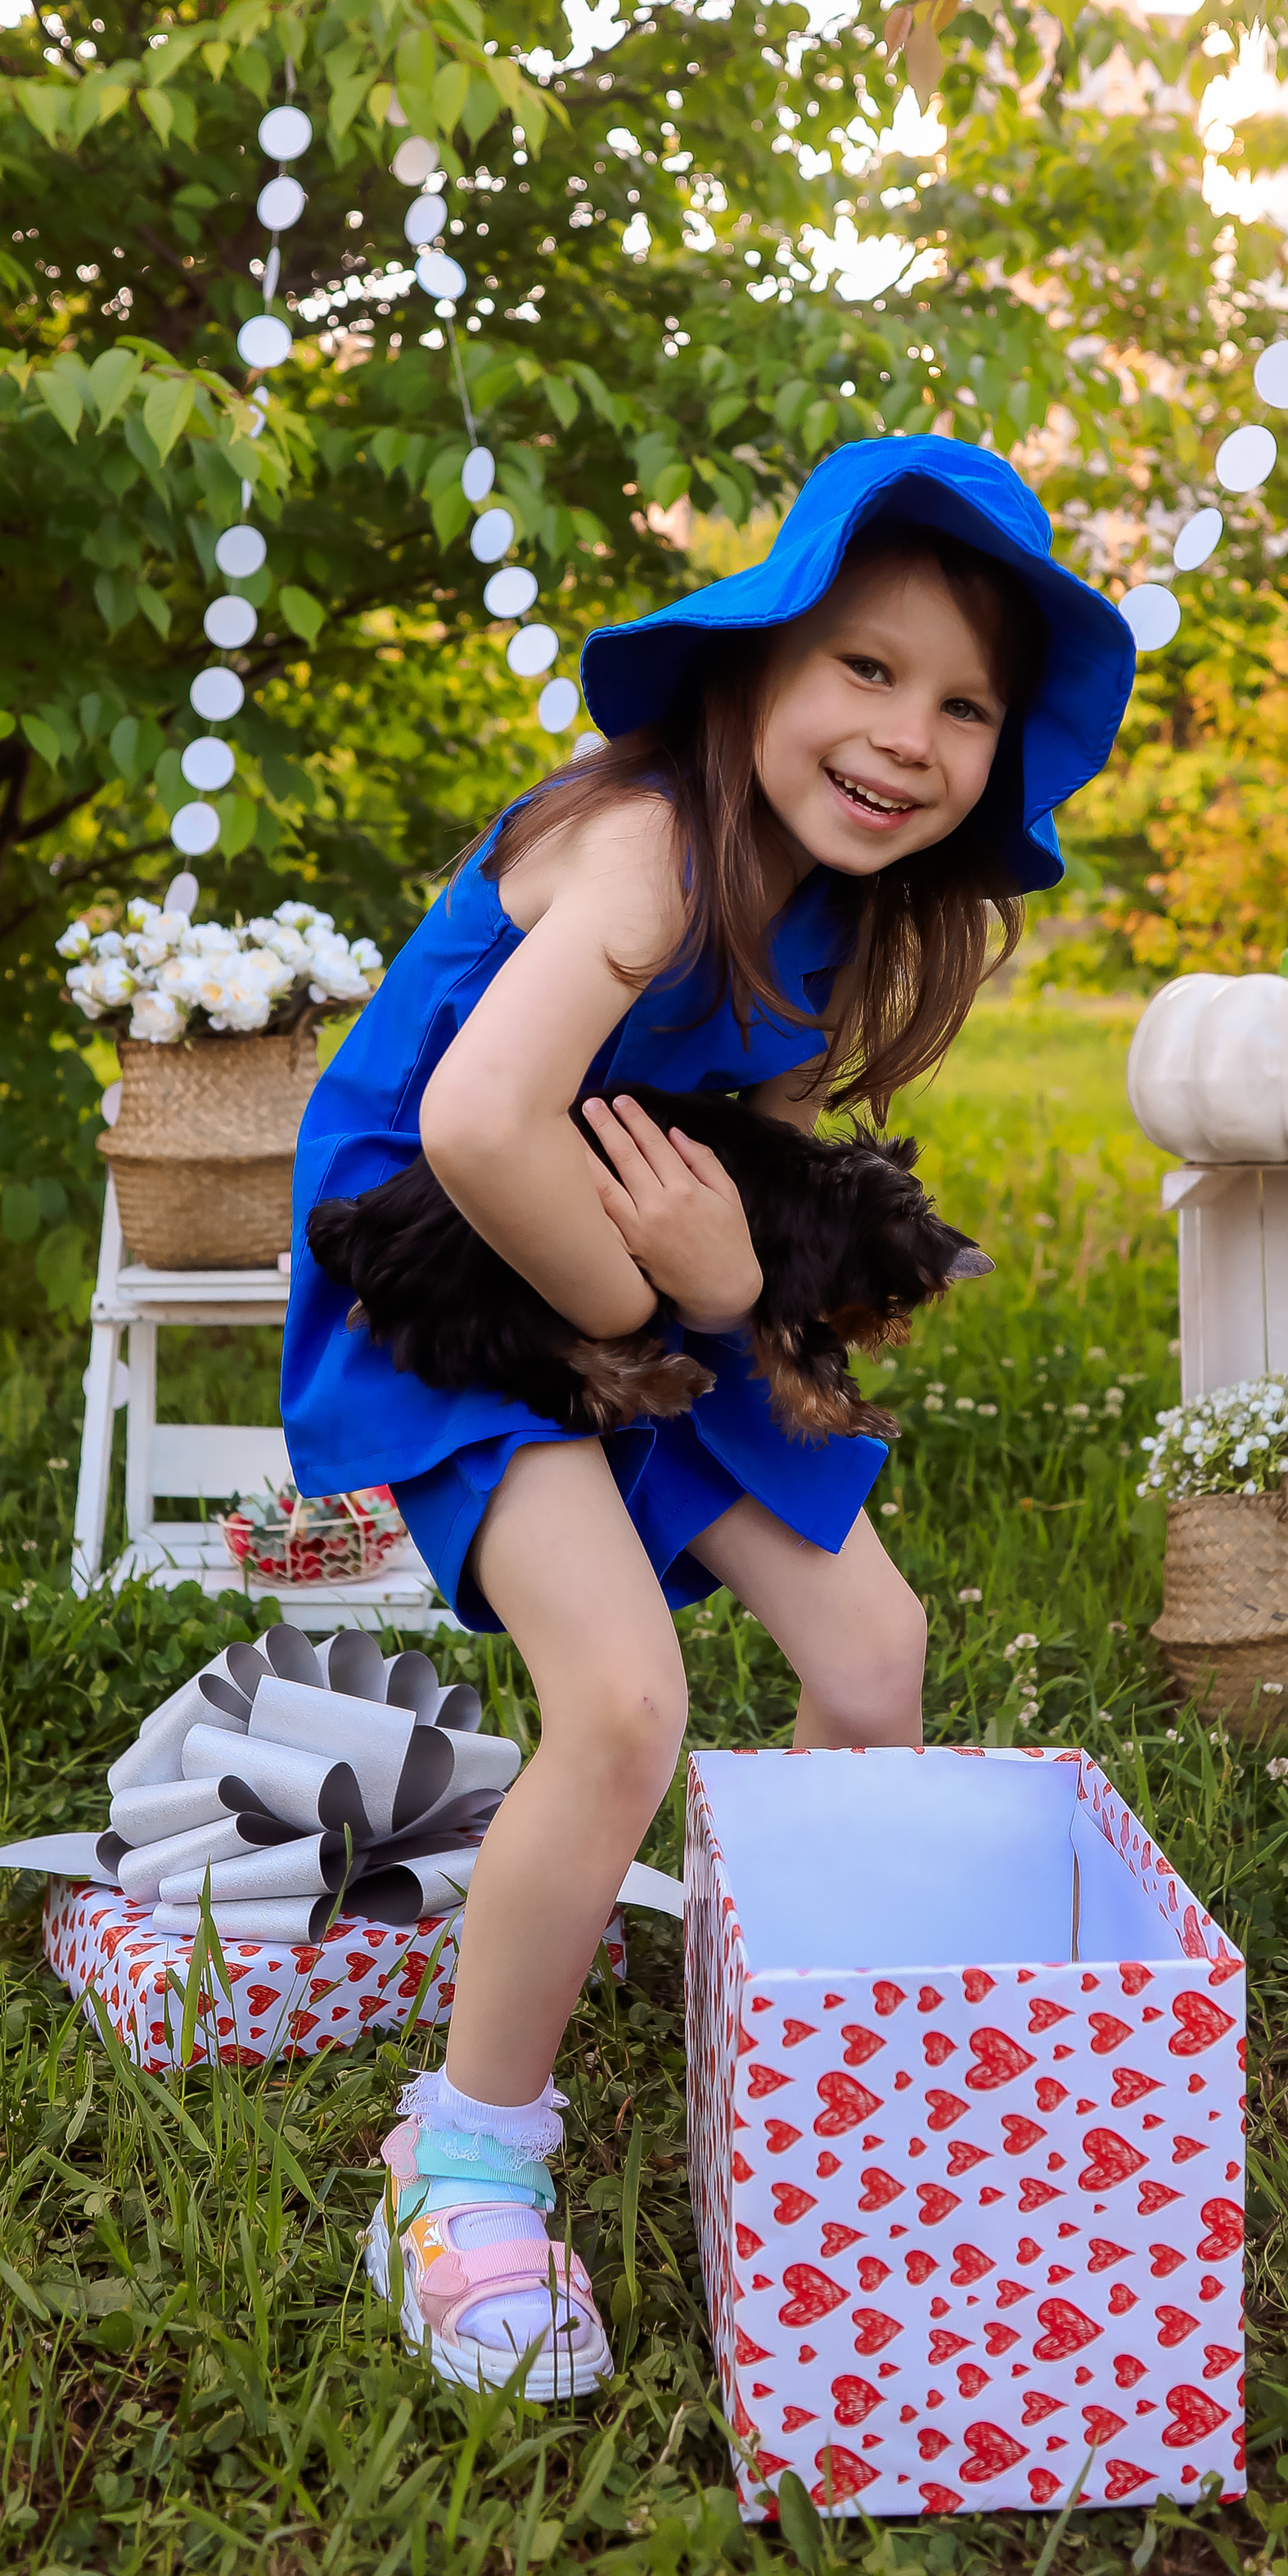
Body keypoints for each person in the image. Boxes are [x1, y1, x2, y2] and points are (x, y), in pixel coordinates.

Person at [281, 434, 1135, 2396]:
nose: (904, 734)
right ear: (748, 668)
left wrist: (722, 1295)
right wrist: (658, 1303)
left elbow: (706, 1171)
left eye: (961, 705)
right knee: (625, 1702)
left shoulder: (833, 916)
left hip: (638, 1268)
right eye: (861, 667)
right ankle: (463, 2164)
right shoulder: (644, 850)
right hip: (438, 1270)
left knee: (872, 1645)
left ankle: (816, 2056)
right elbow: (476, 1126)